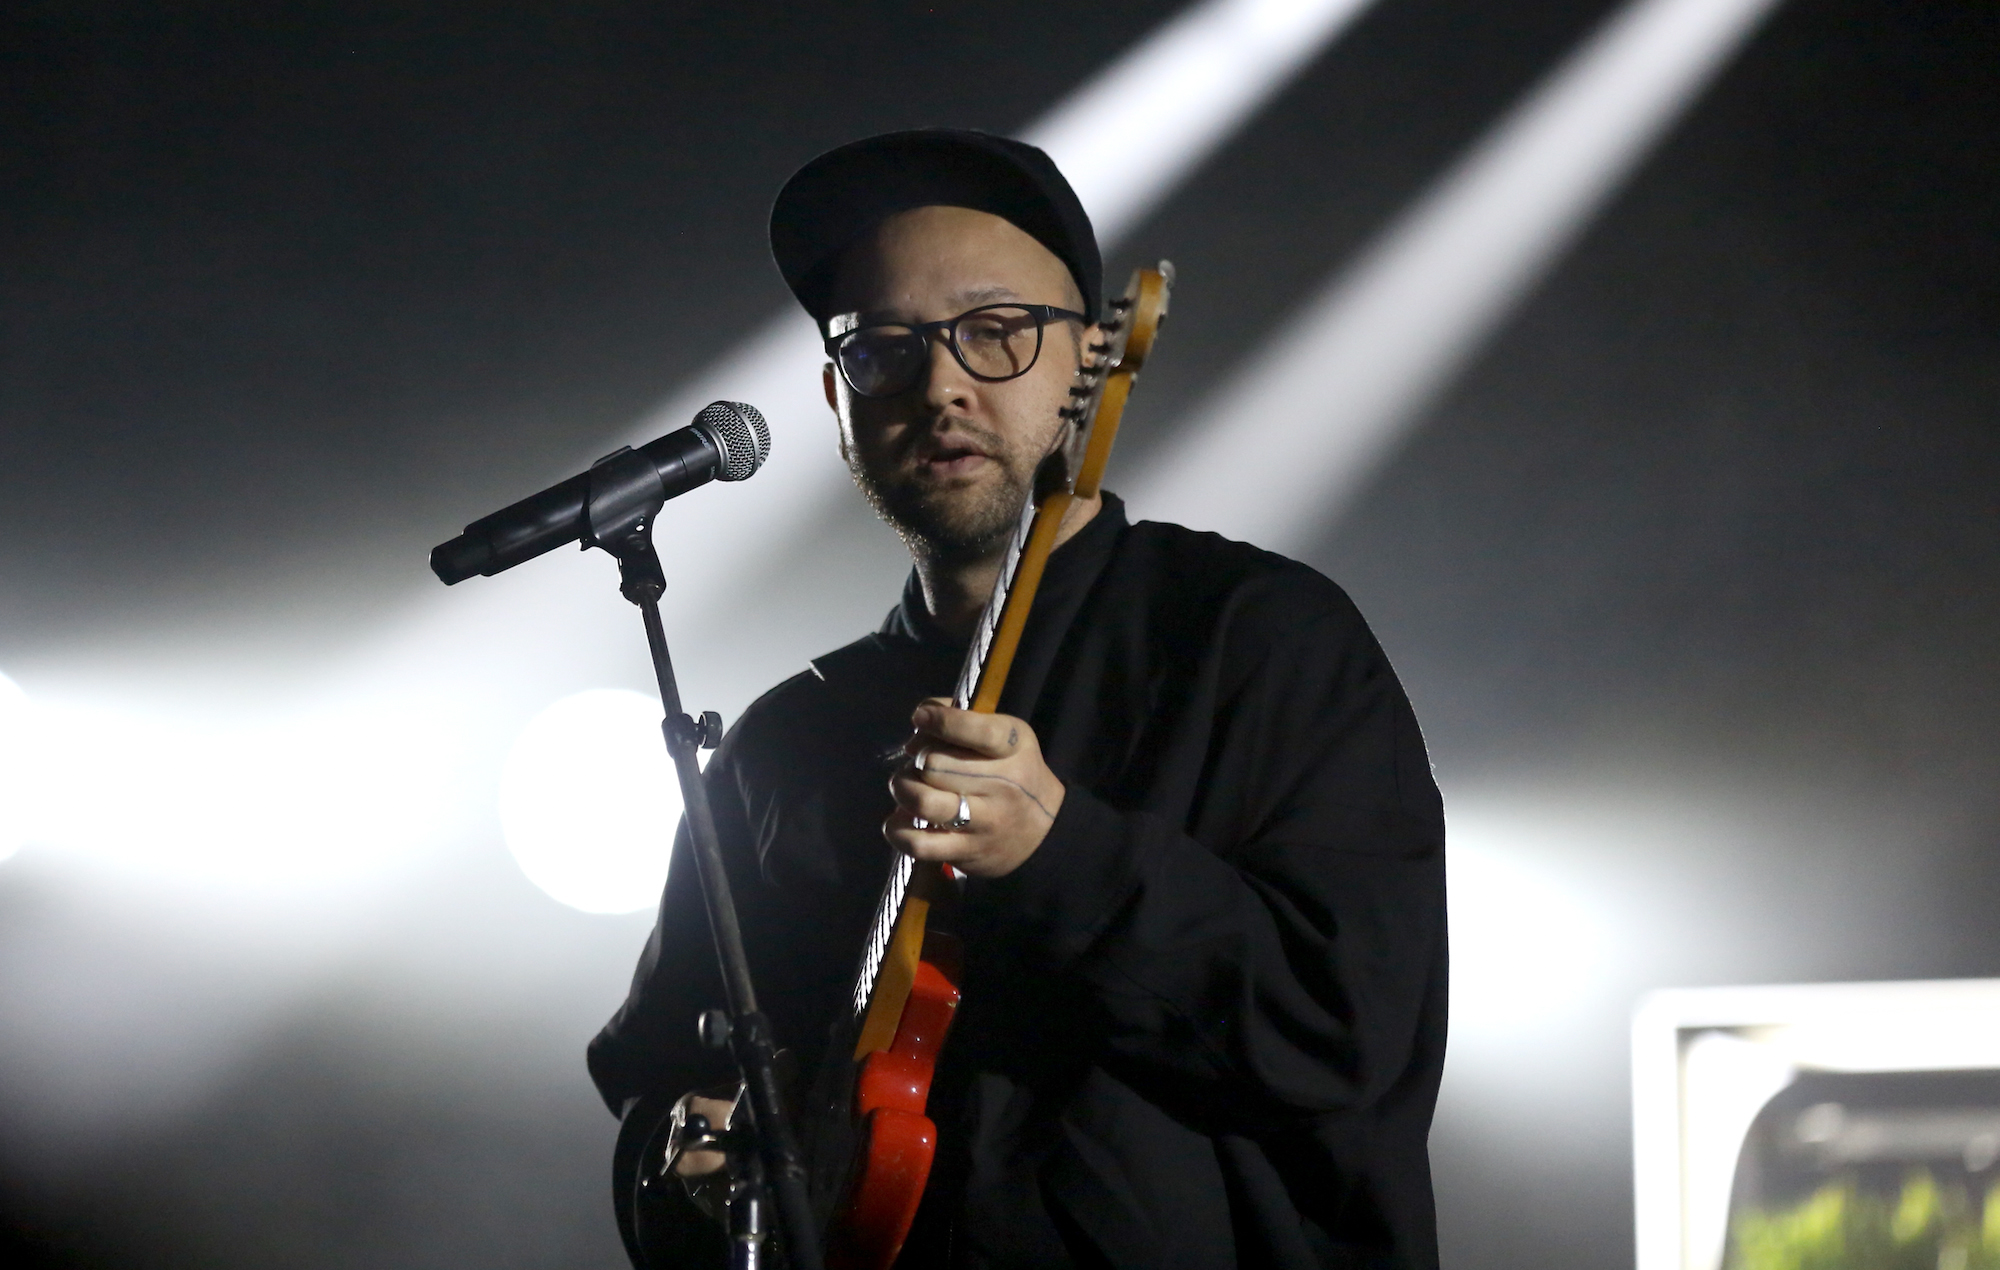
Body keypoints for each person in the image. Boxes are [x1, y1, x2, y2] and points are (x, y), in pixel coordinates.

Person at [588, 129, 1448, 1270]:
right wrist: (682, 1158)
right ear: (834, 396)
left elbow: (1346, 1031)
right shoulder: (783, 743)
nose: (939, 383)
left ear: (1090, 357)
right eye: (882, 348)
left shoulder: (1258, 638)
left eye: (993, 333)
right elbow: (662, 1075)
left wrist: (1065, 857)